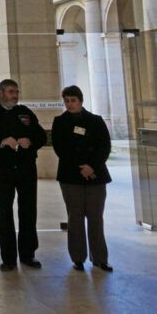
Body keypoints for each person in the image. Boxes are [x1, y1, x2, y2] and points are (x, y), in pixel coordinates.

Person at [0, 78, 47, 271]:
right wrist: (1, 141)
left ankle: (28, 254)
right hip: (3, 169)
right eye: (11, 92)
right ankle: (8, 258)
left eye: (16, 92)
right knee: (5, 212)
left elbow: (40, 136)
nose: (14, 95)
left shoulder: (25, 113)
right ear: (0, 93)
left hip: (26, 169)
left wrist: (29, 140)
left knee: (28, 211)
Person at [52, 85, 113, 272]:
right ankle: (78, 257)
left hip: (95, 175)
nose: (70, 104)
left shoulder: (95, 121)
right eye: (67, 101)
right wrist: (82, 167)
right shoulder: (60, 122)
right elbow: (61, 148)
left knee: (96, 217)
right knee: (75, 217)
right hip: (71, 175)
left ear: (81, 101)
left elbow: (104, 146)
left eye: (73, 100)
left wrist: (91, 166)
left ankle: (100, 258)